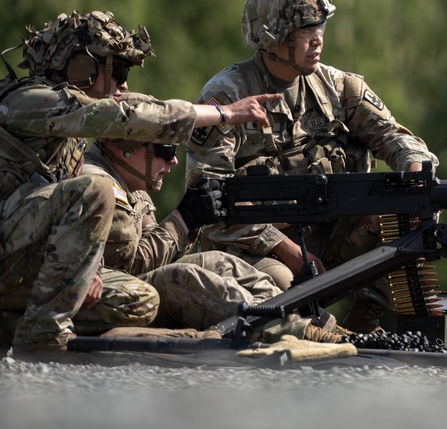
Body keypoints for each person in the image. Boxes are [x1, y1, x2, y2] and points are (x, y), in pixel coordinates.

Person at [0, 10, 279, 363]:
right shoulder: (30, 102)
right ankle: (42, 337)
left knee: (139, 299)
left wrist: (89, 264)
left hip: (2, 258)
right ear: (81, 66)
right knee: (94, 191)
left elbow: (51, 207)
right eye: (118, 70)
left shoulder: (61, 133)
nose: (124, 84)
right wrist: (224, 113)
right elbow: (125, 116)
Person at [184, 0, 438, 332]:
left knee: (411, 203)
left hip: (329, 232)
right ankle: (320, 334)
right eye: (305, 30)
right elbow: (206, 201)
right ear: (271, 36)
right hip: (255, 247)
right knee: (280, 295)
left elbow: (392, 136)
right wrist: (286, 249)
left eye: (321, 27)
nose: (318, 39)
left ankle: (369, 313)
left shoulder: (338, 87)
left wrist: (413, 166)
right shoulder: (226, 97)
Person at [80, 136, 342, 342]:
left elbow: (154, 258)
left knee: (219, 262)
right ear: (123, 149)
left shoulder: (130, 180)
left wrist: (190, 220)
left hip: (128, 289)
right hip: (104, 298)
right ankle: (297, 333)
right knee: (185, 278)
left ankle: (315, 326)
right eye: (165, 150)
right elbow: (128, 266)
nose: (174, 161)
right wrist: (183, 218)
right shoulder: (101, 184)